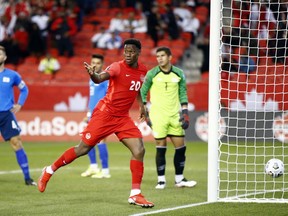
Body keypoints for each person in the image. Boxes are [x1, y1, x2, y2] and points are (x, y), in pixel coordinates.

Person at [37, 38, 154, 208]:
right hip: (105, 114)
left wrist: (142, 105)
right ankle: (48, 170)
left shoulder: (143, 70)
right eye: (126, 51)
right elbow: (99, 79)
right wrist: (93, 74)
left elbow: (137, 88)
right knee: (82, 149)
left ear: (138, 53)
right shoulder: (116, 67)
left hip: (122, 118)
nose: (128, 54)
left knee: (139, 149)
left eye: (132, 51)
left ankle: (135, 194)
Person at [141, 46, 197, 190]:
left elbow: (183, 92)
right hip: (158, 116)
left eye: (162, 56)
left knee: (181, 148)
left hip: (174, 116)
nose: (159, 58)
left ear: (170, 57)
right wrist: (144, 111)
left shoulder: (179, 73)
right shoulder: (152, 74)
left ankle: (179, 179)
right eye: (157, 56)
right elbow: (142, 92)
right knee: (161, 147)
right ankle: (161, 180)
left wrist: (185, 112)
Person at [0, 45, 36, 186]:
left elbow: (24, 89)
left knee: (17, 143)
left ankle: (27, 178)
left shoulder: (12, 75)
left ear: (5, 57)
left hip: (6, 115)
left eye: (0, 54)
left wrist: (20, 104)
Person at [81, 54, 110, 179]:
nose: (95, 65)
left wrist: (103, 113)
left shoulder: (105, 79)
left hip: (102, 114)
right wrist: (88, 113)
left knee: (100, 140)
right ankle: (93, 167)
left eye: (98, 63)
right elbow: (92, 98)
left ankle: (105, 170)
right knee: (87, 139)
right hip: (92, 114)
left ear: (102, 64)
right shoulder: (91, 79)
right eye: (93, 62)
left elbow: (108, 97)